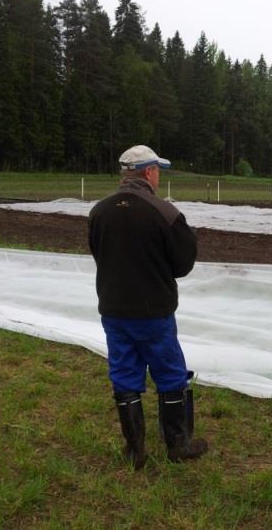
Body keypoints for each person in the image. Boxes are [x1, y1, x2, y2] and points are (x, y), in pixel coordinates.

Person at [88, 144, 208, 469]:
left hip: (114, 311)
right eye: (158, 171)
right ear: (150, 172)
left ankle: (135, 450)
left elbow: (99, 253)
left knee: (124, 373)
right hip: (154, 312)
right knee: (169, 373)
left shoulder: (99, 212)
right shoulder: (165, 214)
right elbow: (183, 264)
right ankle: (177, 445)